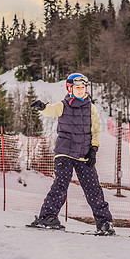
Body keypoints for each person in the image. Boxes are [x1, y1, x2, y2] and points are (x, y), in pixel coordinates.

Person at [30, 73, 115, 236]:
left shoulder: (91, 107)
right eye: (77, 87)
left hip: (84, 154)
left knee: (93, 189)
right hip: (65, 153)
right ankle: (48, 217)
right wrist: (43, 107)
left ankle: (104, 222)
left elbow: (95, 129)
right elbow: (52, 110)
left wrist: (94, 149)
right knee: (61, 184)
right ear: (70, 88)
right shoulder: (64, 105)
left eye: (83, 87)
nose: (81, 90)